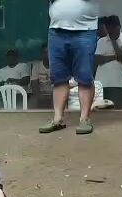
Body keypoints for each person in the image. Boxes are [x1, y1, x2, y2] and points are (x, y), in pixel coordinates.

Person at [39, 0, 99, 135]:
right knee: (59, 77)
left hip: (85, 30)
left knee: (84, 76)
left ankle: (84, 119)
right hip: (56, 30)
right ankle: (58, 119)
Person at [95, 15, 122, 109]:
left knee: (119, 113)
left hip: (118, 84)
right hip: (101, 85)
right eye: (108, 27)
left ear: (118, 27)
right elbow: (97, 60)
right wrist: (115, 57)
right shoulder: (101, 41)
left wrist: (113, 40)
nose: (109, 30)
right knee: (99, 113)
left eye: (111, 27)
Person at [31, 43, 53, 108]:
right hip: (41, 94)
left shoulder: (57, 66)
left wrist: (53, 96)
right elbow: (34, 85)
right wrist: (41, 96)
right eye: (45, 52)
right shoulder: (36, 66)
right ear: (42, 54)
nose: (47, 55)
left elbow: (61, 86)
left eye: (49, 52)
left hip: (55, 94)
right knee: (32, 105)